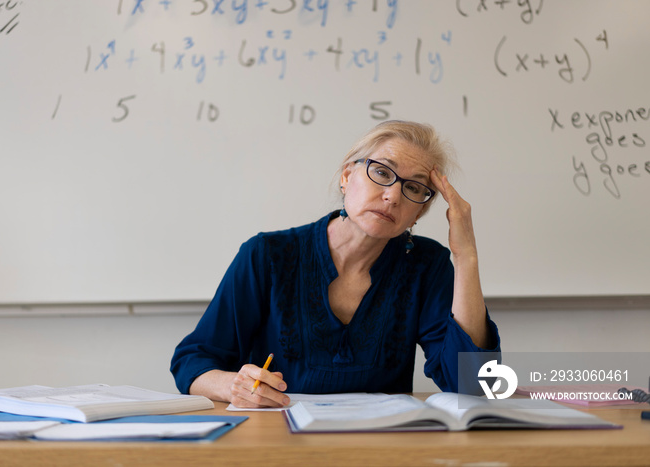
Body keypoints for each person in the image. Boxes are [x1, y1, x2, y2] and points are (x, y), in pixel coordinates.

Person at [170, 120, 501, 408]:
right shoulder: (267, 254)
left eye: (414, 187)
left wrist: (466, 257)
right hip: (275, 446)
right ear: (347, 176)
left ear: (419, 212)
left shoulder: (426, 264)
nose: (393, 196)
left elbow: (472, 386)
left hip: (381, 450)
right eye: (382, 172)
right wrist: (233, 387)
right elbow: (193, 361)